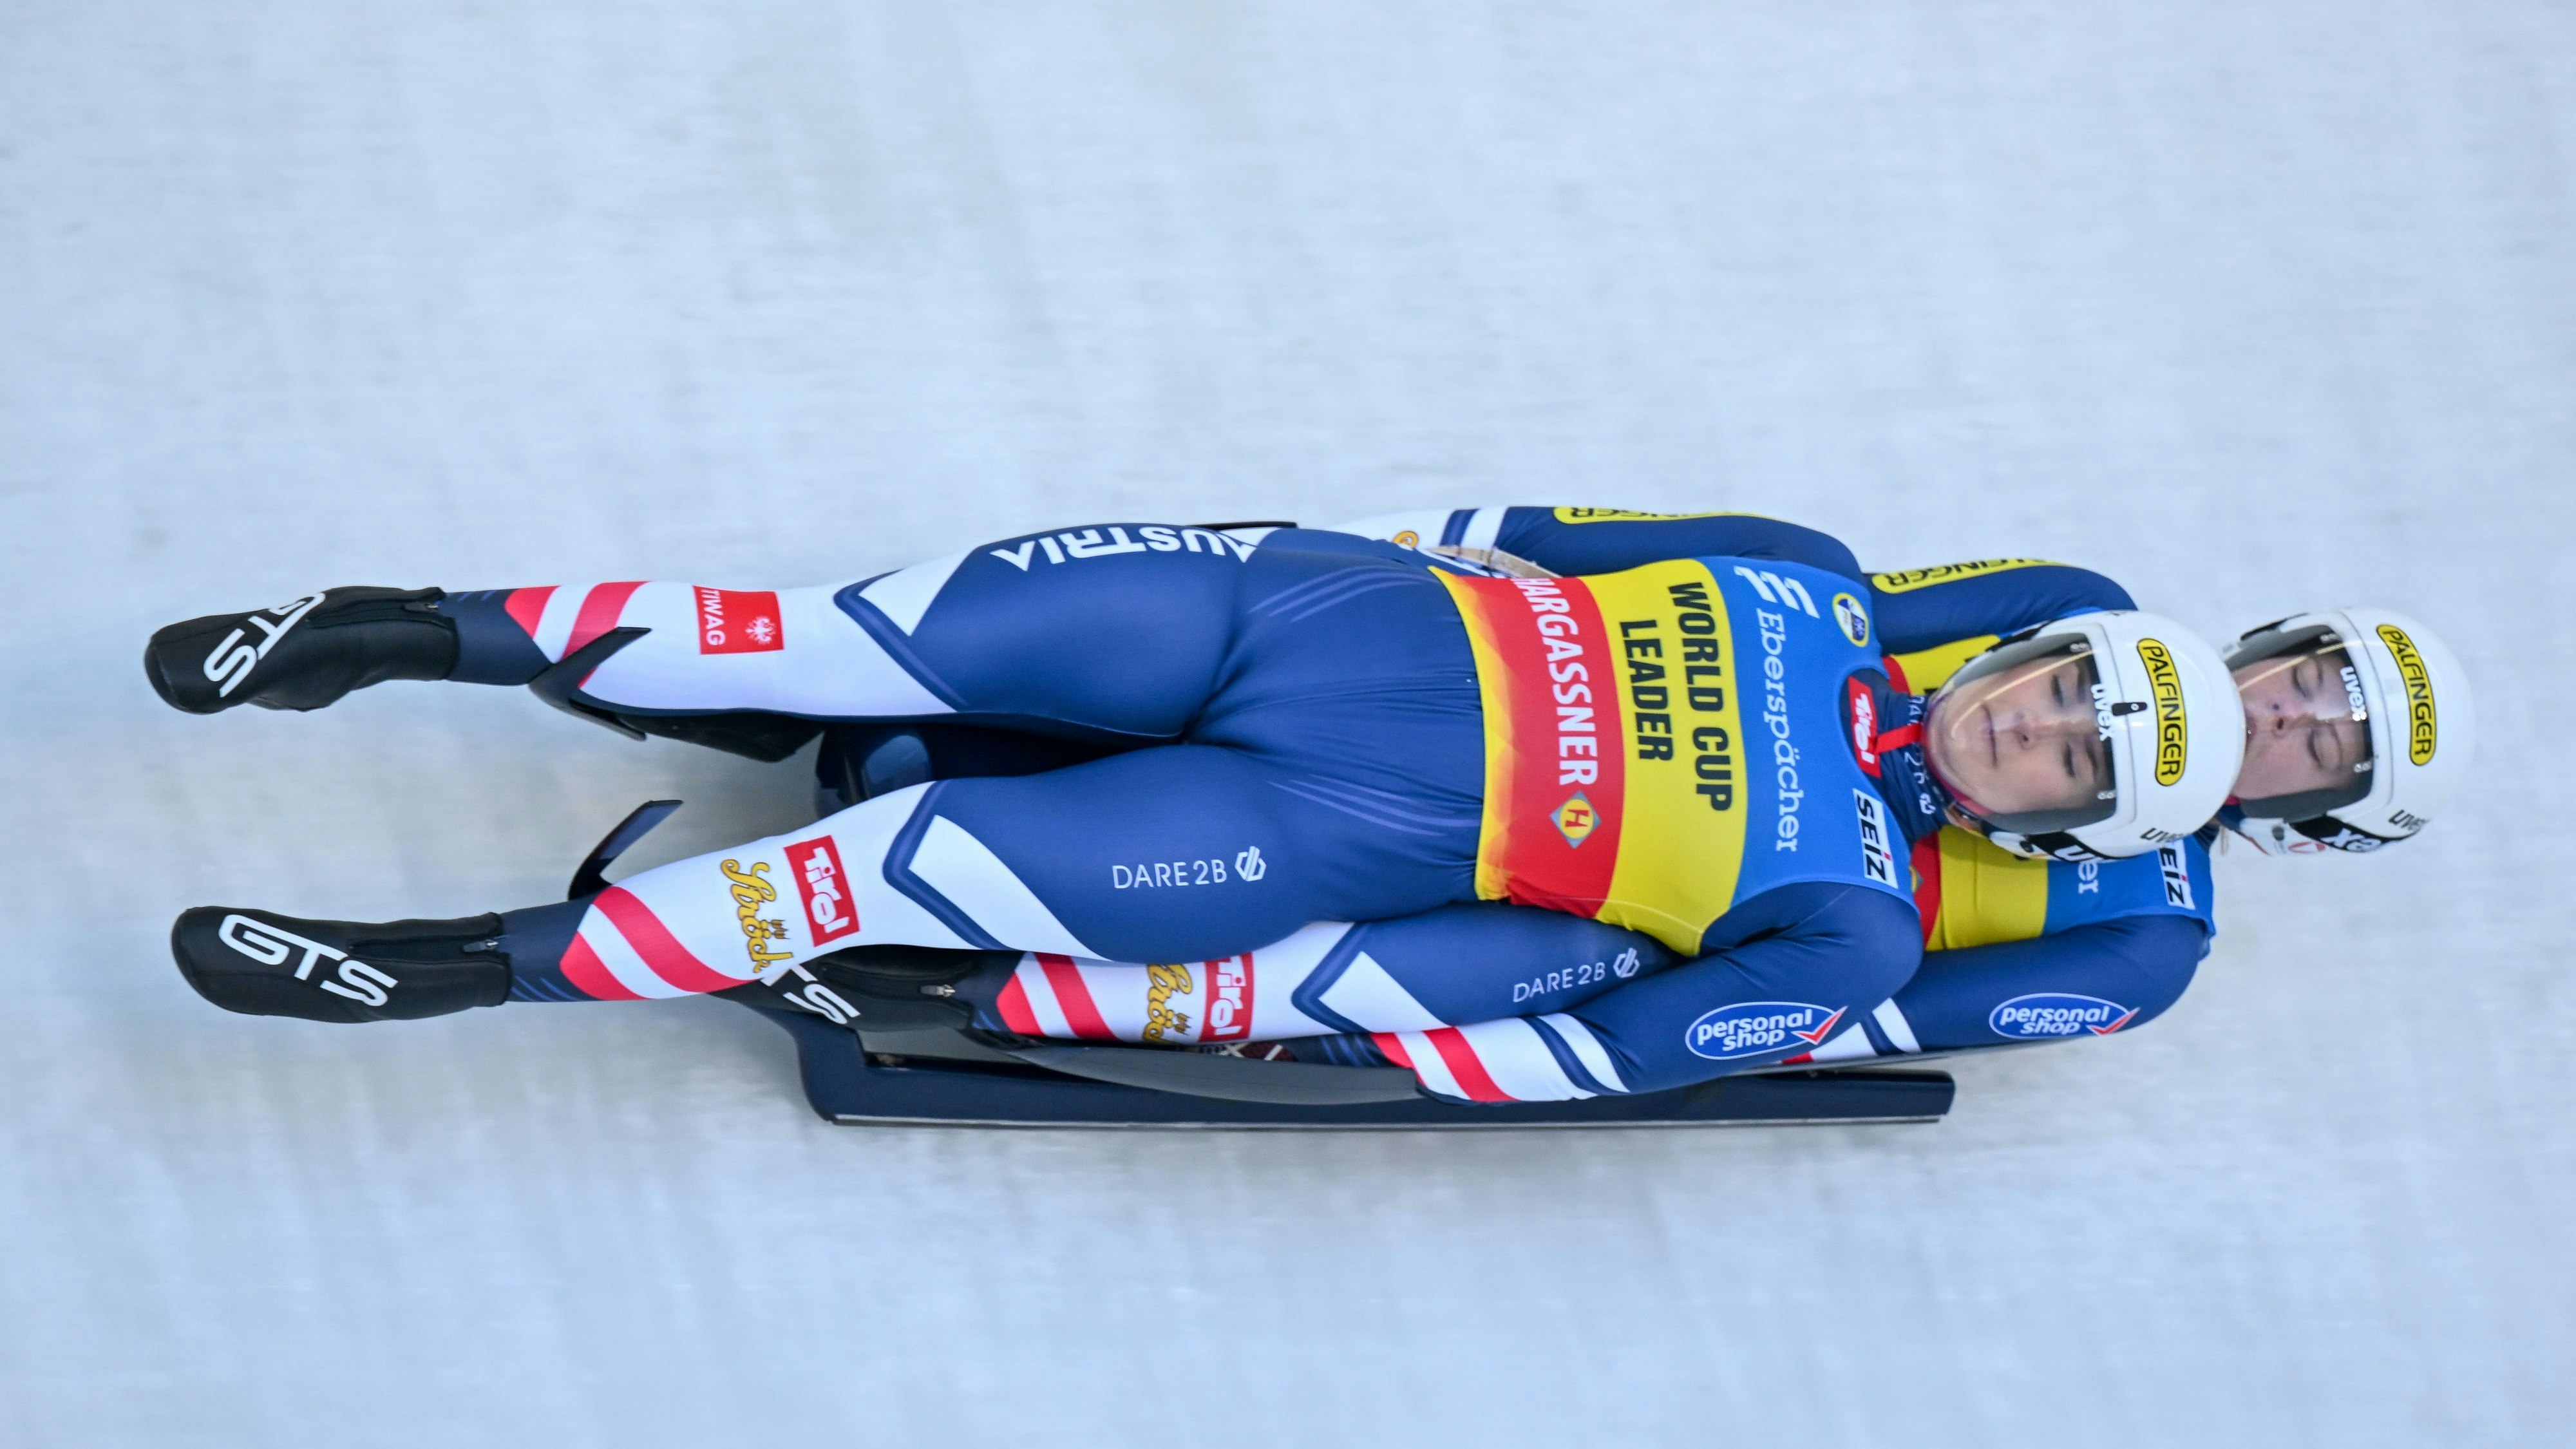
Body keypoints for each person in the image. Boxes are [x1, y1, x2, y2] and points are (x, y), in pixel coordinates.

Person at [145, 521, 2242, 1103]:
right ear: (2020, 648)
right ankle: (402, 626)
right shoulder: (1807, 573)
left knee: (880, 868)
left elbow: (1595, 1049)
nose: (2027, 728)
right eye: (2053, 687)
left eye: (2071, 757)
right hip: (1300, 611)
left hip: (1320, 825)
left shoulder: (1865, 919)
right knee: (841, 629)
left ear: (2063, 829)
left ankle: (440, 970)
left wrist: (1324, 1018)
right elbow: (1500, 525)